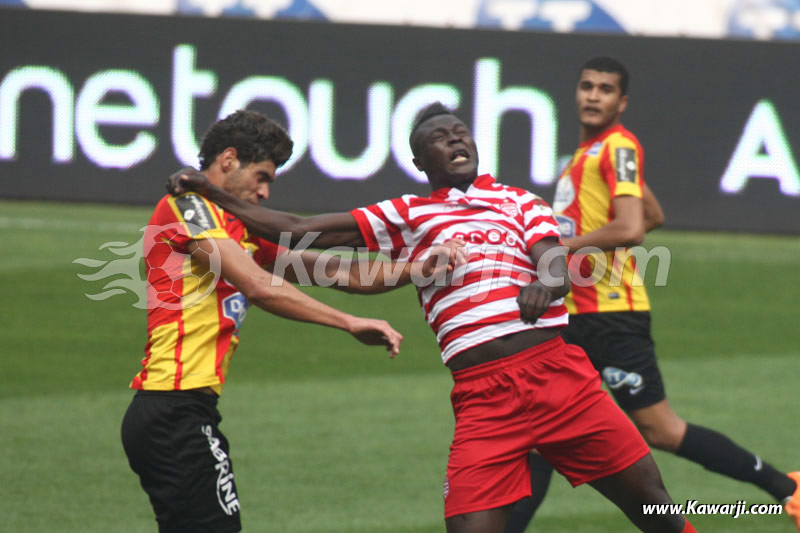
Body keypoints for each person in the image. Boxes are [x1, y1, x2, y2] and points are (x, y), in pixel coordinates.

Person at [169, 103, 699, 533]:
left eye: (462, 132)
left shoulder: (519, 202)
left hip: (560, 377)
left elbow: (554, 258)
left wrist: (548, 282)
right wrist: (214, 194)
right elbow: (297, 227)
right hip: (484, 398)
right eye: (441, 139)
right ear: (423, 163)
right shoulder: (407, 215)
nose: (457, 141)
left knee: (654, 508)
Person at [504, 56, 800, 533]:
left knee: (660, 429)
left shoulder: (618, 146)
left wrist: (565, 247)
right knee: (541, 436)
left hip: (612, 318)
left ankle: (787, 490)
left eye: (605, 89)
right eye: (587, 86)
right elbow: (652, 212)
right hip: (576, 316)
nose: (593, 95)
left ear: (621, 102)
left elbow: (633, 228)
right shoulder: (584, 156)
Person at [121, 109, 424, 533]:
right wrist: (348, 323)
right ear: (228, 160)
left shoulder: (236, 228)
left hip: (187, 408)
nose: (264, 193)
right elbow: (259, 286)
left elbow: (336, 271)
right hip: (172, 407)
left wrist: (417, 269)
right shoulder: (186, 206)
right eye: (261, 177)